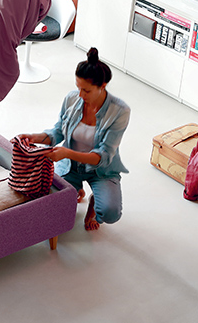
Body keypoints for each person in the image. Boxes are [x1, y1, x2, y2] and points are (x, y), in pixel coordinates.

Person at [17, 48, 130, 231]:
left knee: (110, 213)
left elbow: (104, 156)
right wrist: (33, 137)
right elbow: (58, 132)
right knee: (49, 205)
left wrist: (67, 153)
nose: (80, 95)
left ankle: (94, 202)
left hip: (101, 170)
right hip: (70, 166)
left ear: (103, 86)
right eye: (78, 88)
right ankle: (74, 187)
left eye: (86, 90)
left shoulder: (120, 111)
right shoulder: (71, 99)